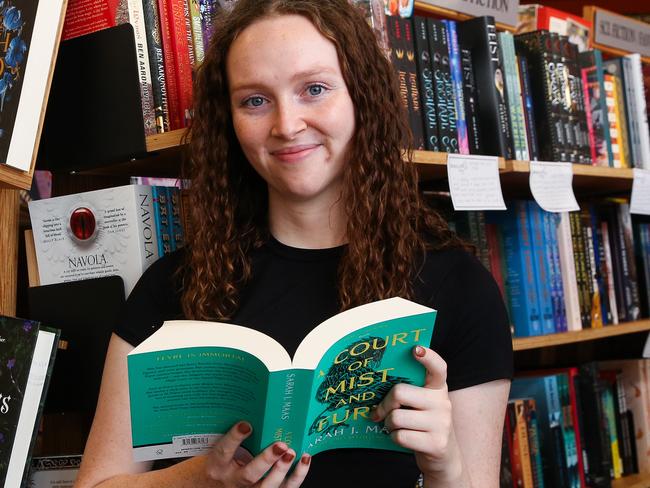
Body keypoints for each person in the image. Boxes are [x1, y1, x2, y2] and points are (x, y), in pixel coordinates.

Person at [74, 1, 513, 487]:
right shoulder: (171, 286)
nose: (286, 125)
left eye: (315, 89)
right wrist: (199, 479)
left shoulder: (460, 288)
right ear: (230, 121)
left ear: (362, 98)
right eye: (255, 100)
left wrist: (445, 464)